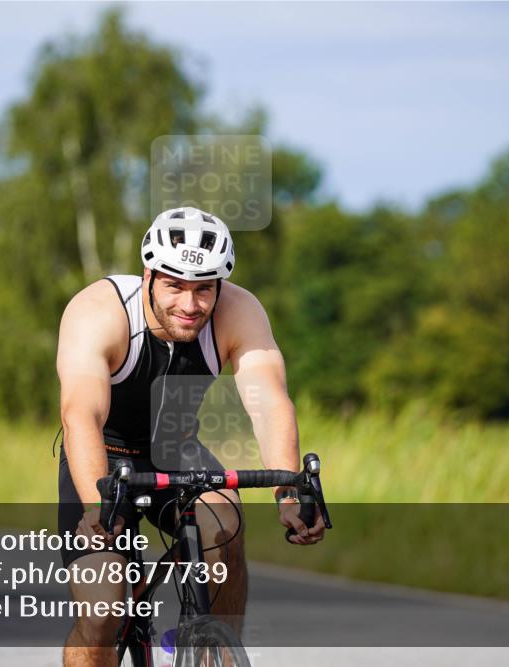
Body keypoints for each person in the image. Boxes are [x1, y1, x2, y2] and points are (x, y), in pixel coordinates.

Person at [57, 206, 325, 666]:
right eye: (175, 285)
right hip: (102, 456)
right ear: (149, 276)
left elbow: (269, 401)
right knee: (102, 612)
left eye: (204, 289)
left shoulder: (239, 310)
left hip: (177, 451)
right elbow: (80, 414)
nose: (190, 304)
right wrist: (98, 506)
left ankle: (215, 650)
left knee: (224, 526)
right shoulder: (100, 311)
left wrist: (289, 492)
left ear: (220, 285)